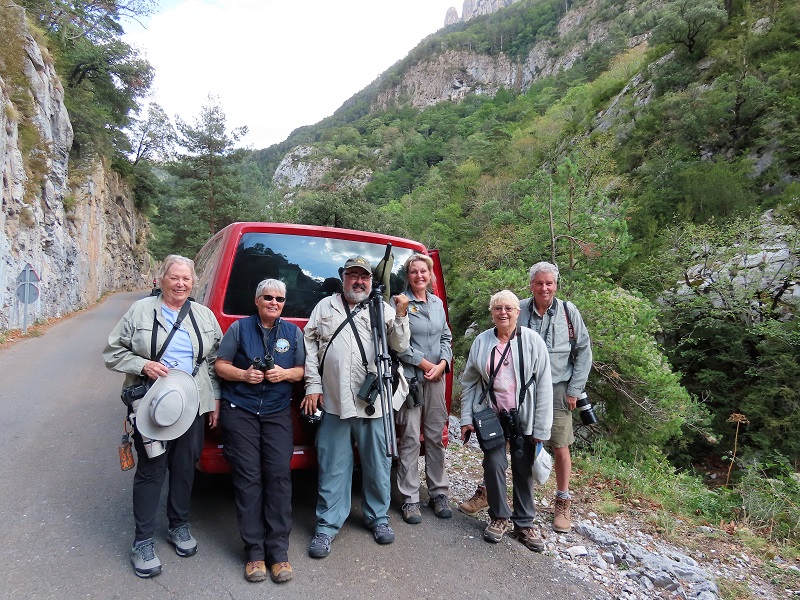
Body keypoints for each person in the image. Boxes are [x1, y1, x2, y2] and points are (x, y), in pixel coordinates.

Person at [104, 255, 222, 578]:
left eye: (186, 278)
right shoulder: (140, 311)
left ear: (193, 282)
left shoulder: (204, 316)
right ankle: (142, 541)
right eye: (174, 277)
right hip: (152, 404)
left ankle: (178, 526)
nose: (180, 283)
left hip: (191, 405)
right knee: (152, 469)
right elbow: (112, 352)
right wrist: (142, 365)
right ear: (162, 279)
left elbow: (214, 359)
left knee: (185, 467)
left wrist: (215, 399)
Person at [301, 255, 409, 558]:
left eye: (364, 276)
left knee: (378, 464)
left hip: (373, 404)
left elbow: (399, 346)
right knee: (332, 466)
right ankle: (327, 525)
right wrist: (313, 385)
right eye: (353, 275)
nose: (358, 281)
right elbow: (310, 348)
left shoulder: (382, 307)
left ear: (371, 281)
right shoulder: (324, 307)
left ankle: (379, 518)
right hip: (333, 401)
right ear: (343, 276)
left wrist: (401, 316)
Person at [214, 279, 305, 584]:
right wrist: (244, 374)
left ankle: (279, 553)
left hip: (276, 412)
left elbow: (302, 370)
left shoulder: (293, 332)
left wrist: (285, 373)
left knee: (279, 475)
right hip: (241, 410)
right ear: (256, 300)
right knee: (248, 478)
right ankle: (254, 553)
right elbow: (220, 364)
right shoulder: (239, 329)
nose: (274, 303)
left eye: (279, 299)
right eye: (268, 297)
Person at [460, 290, 553, 551]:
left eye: (508, 308)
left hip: (525, 414)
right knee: (494, 463)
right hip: (492, 414)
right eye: (498, 308)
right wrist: (466, 418)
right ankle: (500, 517)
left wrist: (542, 428)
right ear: (492, 313)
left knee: (523, 469)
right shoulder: (481, 341)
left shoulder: (532, 341)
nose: (503, 312)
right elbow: (469, 382)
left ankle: (524, 524)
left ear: (517, 312)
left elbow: (545, 385)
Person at [518, 261, 592, 533]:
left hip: (559, 387)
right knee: (511, 440)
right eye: (539, 283)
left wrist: (574, 389)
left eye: (549, 283)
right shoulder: (518, 309)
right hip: (523, 387)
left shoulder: (568, 312)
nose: (544, 288)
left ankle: (562, 500)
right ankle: (490, 491)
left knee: (560, 445)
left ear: (556, 284)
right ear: (531, 285)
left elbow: (584, 351)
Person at [394, 254, 453, 524]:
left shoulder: (438, 303)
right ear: (408, 276)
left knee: (434, 437)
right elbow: (398, 343)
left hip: (436, 379)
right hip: (411, 380)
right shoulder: (401, 303)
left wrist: (443, 363)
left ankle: (438, 493)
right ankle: (409, 498)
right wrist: (426, 363)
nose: (419, 276)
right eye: (414, 272)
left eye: (424, 271)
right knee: (408, 438)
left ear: (431, 275)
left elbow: (445, 336)